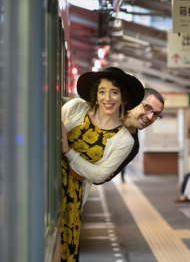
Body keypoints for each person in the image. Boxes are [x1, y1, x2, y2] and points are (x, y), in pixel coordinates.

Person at [60, 67, 144, 262]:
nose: (108, 97)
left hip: (72, 198)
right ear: (95, 95)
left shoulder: (124, 140)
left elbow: (98, 175)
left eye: (115, 92)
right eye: (102, 91)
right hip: (44, 181)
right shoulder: (76, 107)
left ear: (123, 98)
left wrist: (67, 151)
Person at [97, 88, 164, 184]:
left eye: (156, 114)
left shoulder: (133, 147)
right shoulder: (105, 113)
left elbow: (99, 180)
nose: (150, 117)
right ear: (135, 101)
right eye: (147, 108)